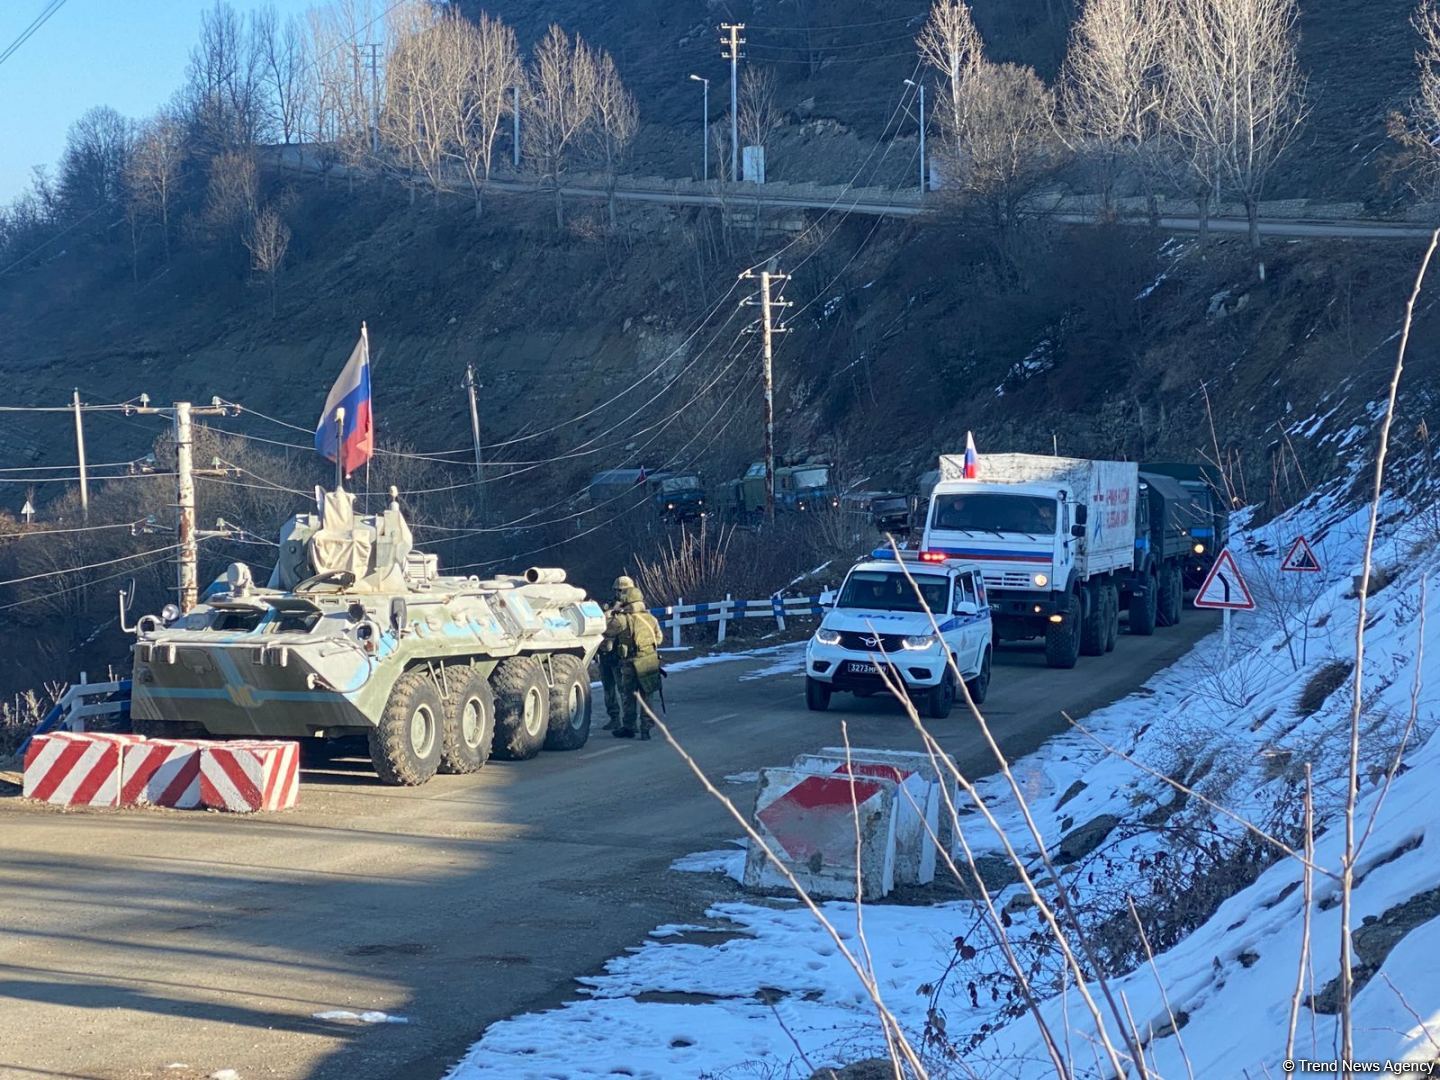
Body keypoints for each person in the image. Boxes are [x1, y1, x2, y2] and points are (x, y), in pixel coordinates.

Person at [614, 585, 663, 740]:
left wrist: (614, 611)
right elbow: (659, 638)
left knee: (629, 696)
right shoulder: (651, 619)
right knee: (647, 696)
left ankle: (629, 726)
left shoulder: (623, 620)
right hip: (649, 662)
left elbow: (608, 629)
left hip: (630, 663)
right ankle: (646, 729)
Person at [598, 575, 634, 732]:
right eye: (617, 590)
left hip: (622, 655)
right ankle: (614, 718)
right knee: (608, 689)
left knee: (624, 690)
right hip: (607, 653)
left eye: (622, 590)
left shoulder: (633, 608)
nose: (619, 593)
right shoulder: (610, 605)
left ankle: (628, 722)